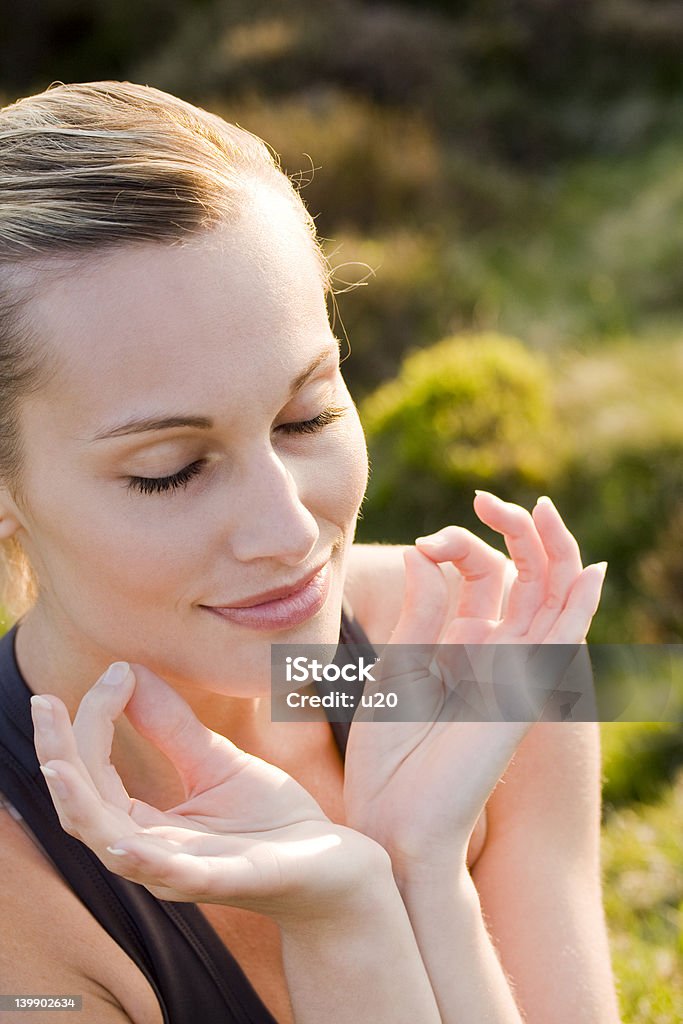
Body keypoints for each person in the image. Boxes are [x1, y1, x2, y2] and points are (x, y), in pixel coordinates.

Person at [0, 81, 621, 1024]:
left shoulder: (464, 654)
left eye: (308, 414)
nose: (291, 532)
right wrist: (349, 926)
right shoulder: (20, 896)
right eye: (170, 470)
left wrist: (419, 873)